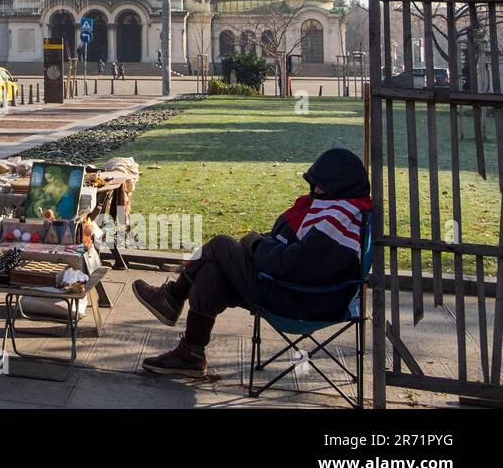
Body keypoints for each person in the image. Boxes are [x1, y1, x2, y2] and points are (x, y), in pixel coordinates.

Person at [132, 147, 371, 378]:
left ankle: (172, 296)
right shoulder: (336, 209)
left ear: (340, 185)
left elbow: (293, 265)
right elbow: (292, 248)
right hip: (288, 289)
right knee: (211, 272)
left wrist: (255, 244)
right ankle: (191, 354)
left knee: (220, 245)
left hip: (301, 300)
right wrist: (262, 243)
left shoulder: (340, 222)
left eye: (322, 184)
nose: (316, 189)